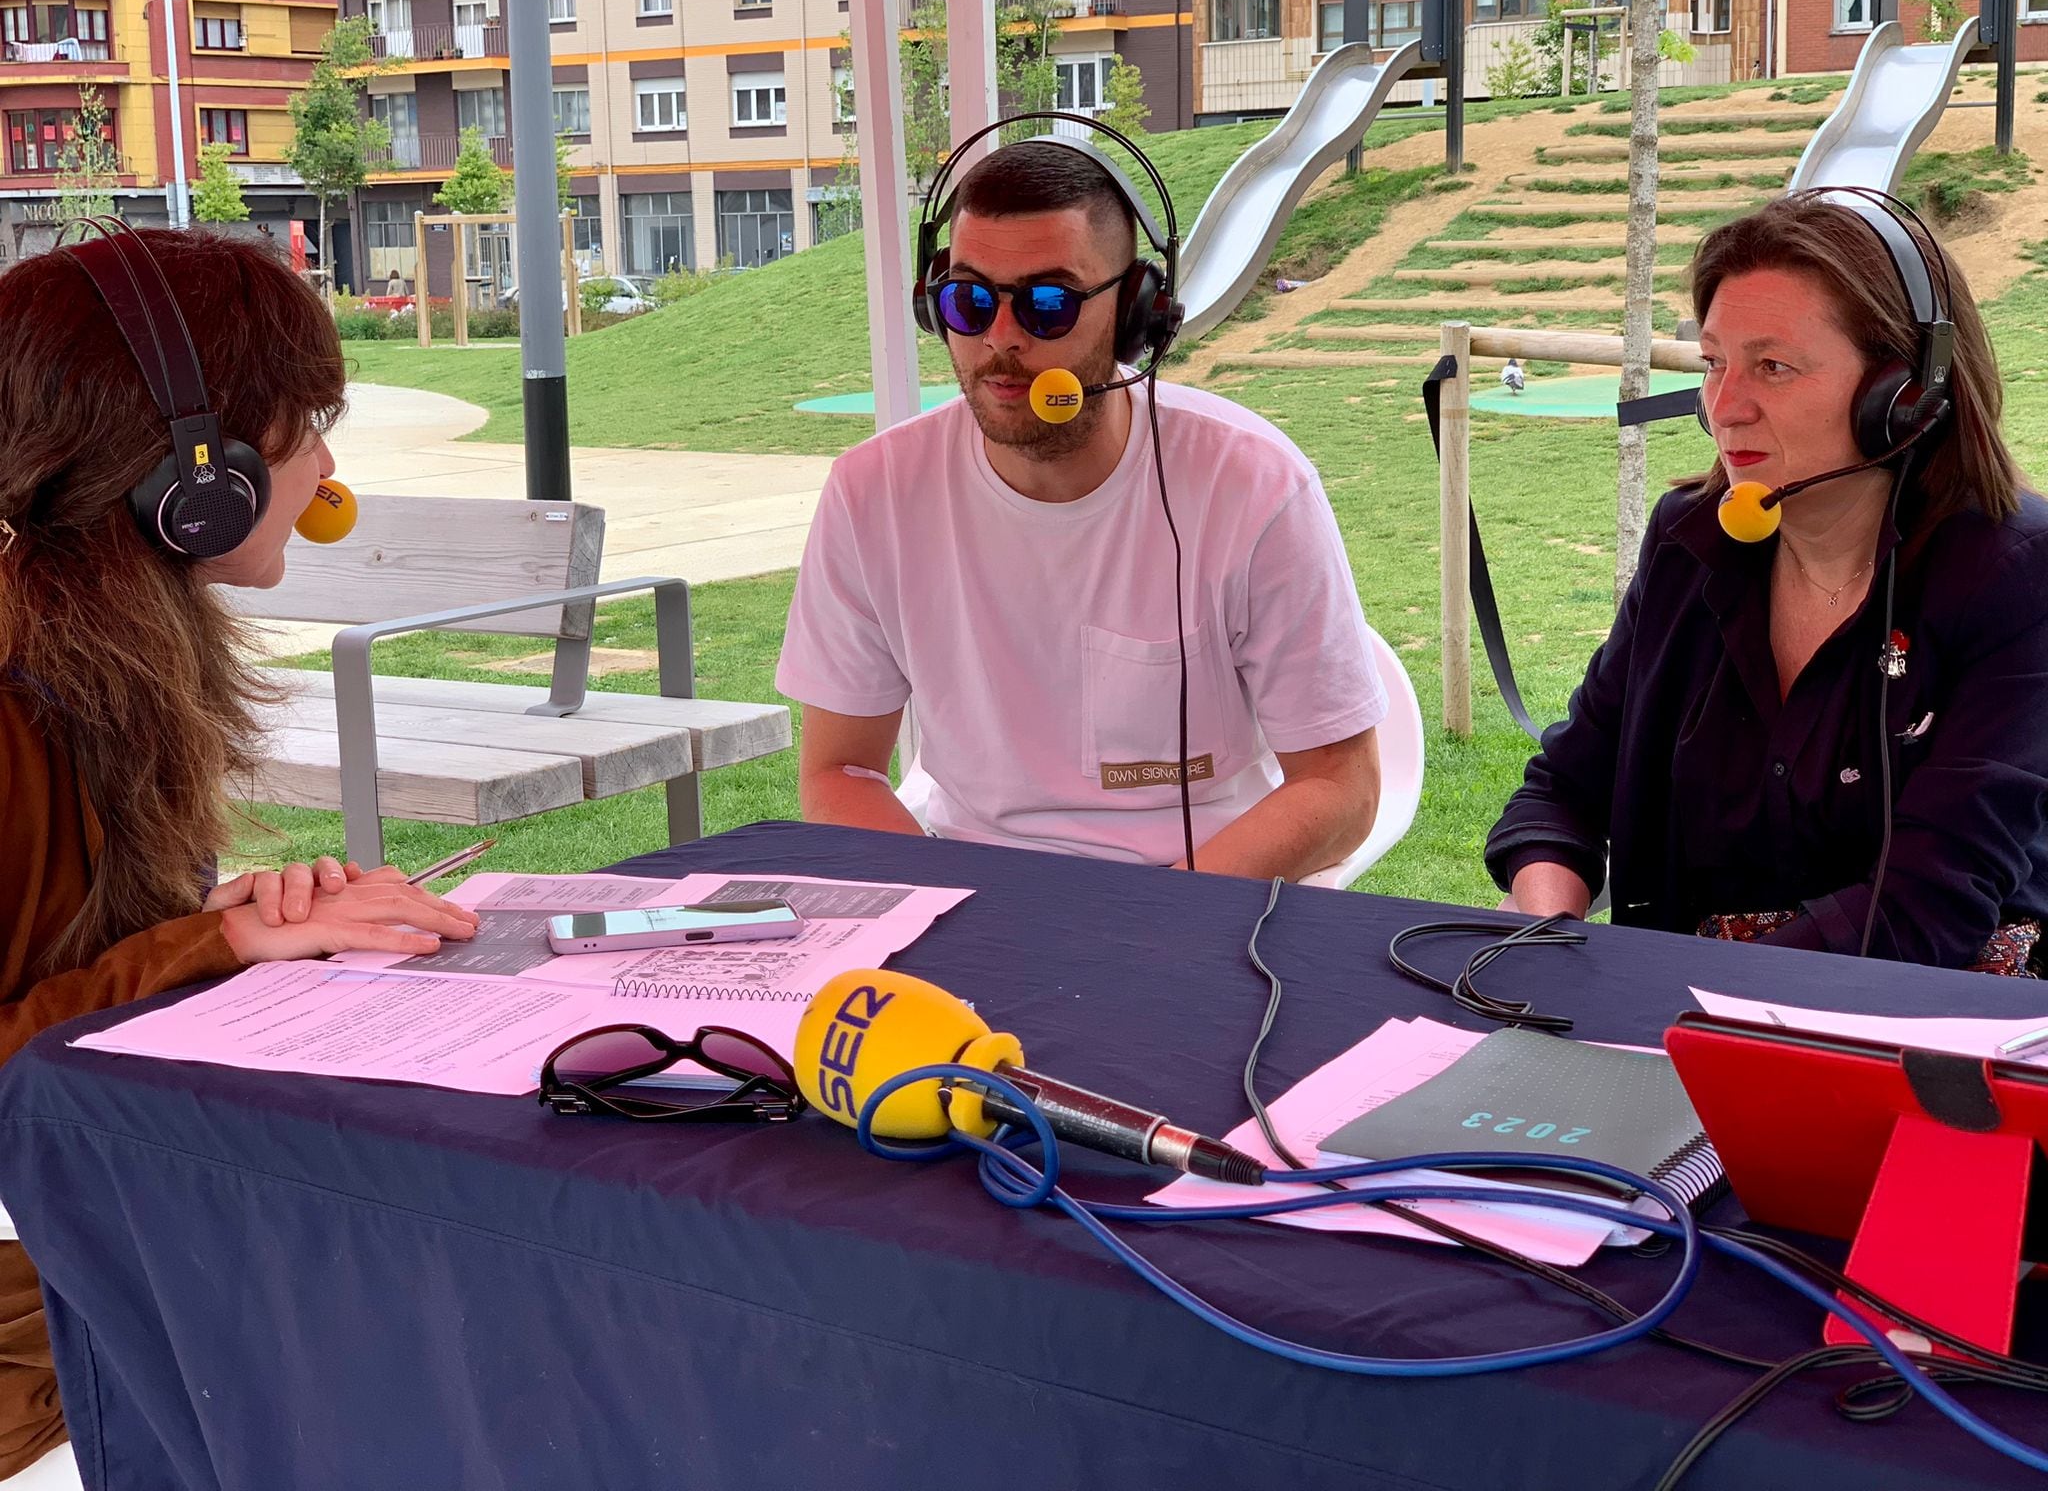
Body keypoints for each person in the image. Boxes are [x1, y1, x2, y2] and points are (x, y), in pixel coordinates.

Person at [0, 225, 480, 1475]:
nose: (324, 467)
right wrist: (205, 942)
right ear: (191, 472)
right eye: (302, 425)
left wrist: (225, 924)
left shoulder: (85, 657)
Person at [776, 139, 1386, 879]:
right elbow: (840, 772)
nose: (1001, 340)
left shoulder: (1254, 486)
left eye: (1048, 304)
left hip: (1207, 896)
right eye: (969, 300)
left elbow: (1340, 784)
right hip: (973, 893)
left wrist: (1153, 922)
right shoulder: (870, 493)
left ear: (1136, 312)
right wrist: (953, 909)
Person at [1486, 193, 2048, 973]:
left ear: (1905, 394)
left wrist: (1683, 995)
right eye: (1714, 363)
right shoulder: (1690, 542)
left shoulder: (2013, 574)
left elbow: (1926, 909)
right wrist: (1551, 926)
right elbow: (1565, 788)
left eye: (1773, 367)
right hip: (1679, 1004)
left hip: (1912, 1023)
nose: (1723, 407)